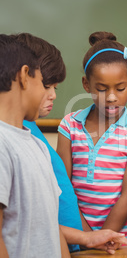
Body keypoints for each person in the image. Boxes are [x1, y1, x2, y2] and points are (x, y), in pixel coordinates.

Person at [13, 33, 127, 254]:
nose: (53, 96)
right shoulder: (15, 140)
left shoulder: (31, 134)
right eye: (47, 85)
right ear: (23, 78)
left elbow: (44, 216)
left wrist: (88, 238)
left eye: (55, 88)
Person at [57, 31, 127, 245]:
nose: (111, 97)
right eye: (101, 89)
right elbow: (64, 189)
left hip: (122, 242)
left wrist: (105, 236)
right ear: (86, 84)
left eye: (119, 88)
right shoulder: (69, 126)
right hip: (78, 239)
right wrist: (87, 238)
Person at [0, 34, 70, 257]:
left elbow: (52, 228)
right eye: (43, 83)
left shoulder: (37, 145)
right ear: (23, 76)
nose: (48, 94)